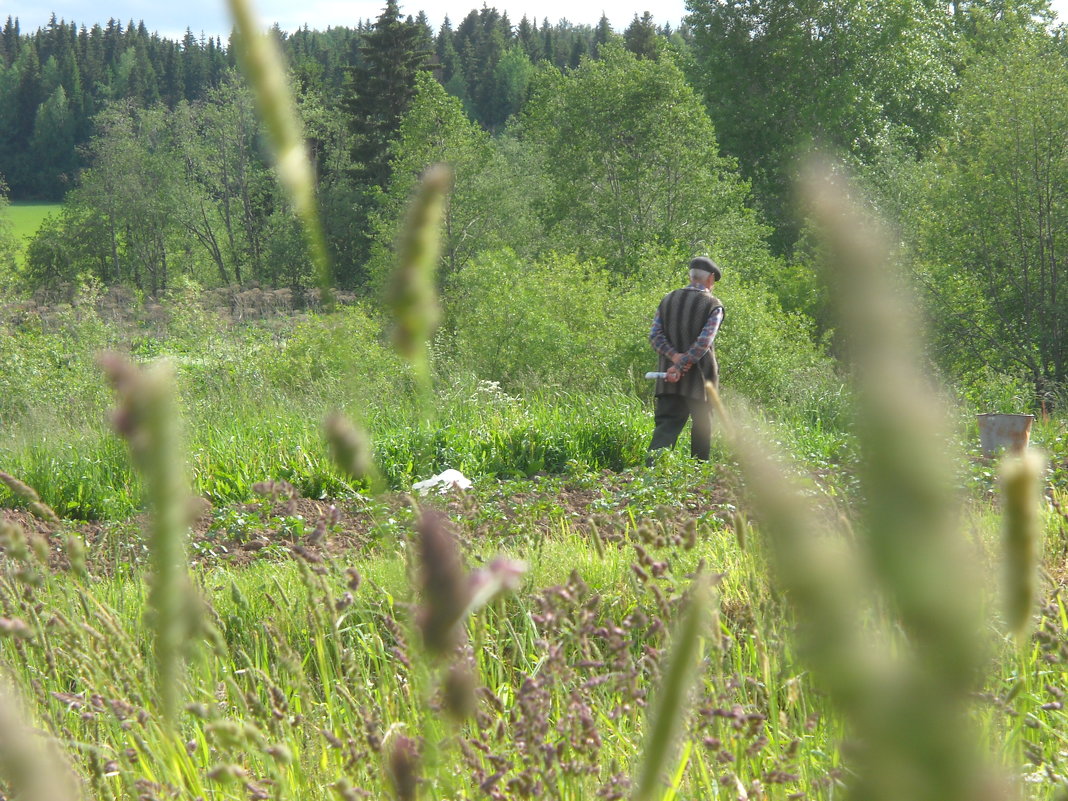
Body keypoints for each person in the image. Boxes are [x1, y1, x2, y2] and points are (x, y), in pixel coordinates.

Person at [647, 256, 724, 462]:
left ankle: (651, 474)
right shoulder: (713, 305)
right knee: (702, 426)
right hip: (701, 380)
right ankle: (698, 476)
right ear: (710, 279)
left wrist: (674, 360)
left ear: (690, 277)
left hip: (668, 377)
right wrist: (682, 364)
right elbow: (703, 342)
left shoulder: (667, 299)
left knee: (666, 426)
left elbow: (654, 336)